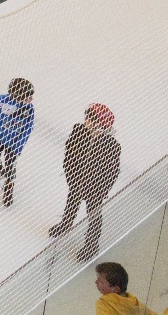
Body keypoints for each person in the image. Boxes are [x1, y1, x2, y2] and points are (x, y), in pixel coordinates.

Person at [48, 103, 122, 260]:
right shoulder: (78, 132)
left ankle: (92, 244)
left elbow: (112, 172)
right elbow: (69, 154)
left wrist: (101, 190)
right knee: (71, 203)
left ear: (98, 123)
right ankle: (66, 225)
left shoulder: (111, 145)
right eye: (86, 117)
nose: (85, 120)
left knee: (93, 214)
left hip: (95, 188)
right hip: (77, 180)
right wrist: (71, 176)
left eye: (89, 118)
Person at [0, 78, 35, 207]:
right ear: (16, 95)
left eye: (31, 96)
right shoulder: (2, 100)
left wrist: (19, 146)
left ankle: (9, 186)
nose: (31, 99)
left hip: (13, 143)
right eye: (27, 96)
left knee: (10, 165)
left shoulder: (29, 109)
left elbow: (27, 129)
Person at [93, 262, 168, 315]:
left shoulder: (103, 303)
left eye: (100, 281)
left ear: (116, 289)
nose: (96, 282)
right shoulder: (133, 301)